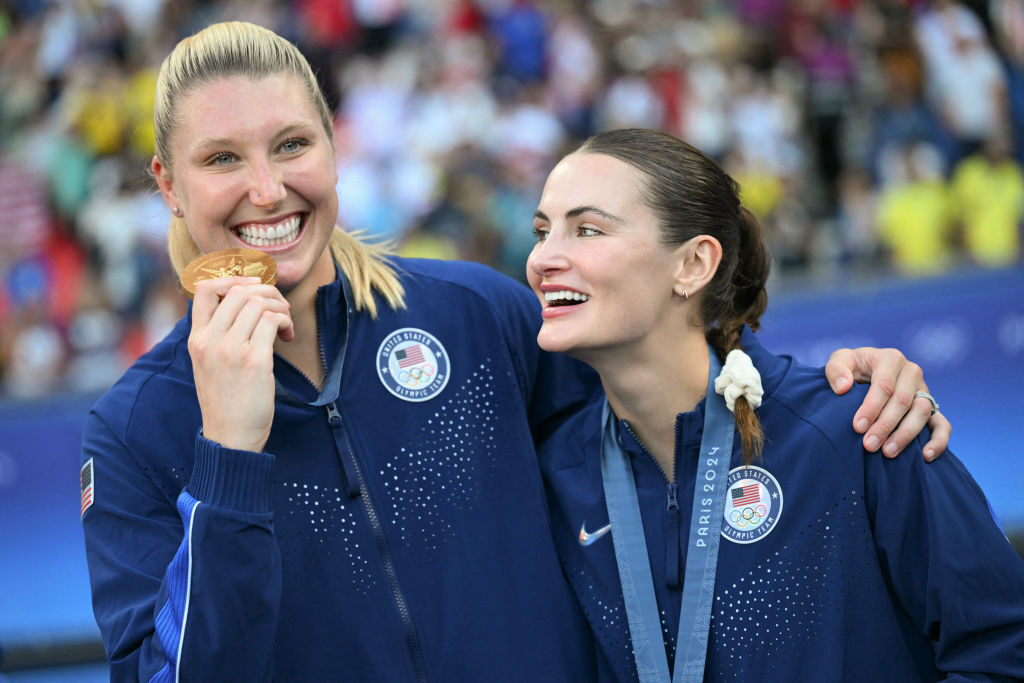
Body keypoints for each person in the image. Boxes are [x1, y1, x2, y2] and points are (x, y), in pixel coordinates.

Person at [80, 22, 951, 680]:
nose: (268, 189)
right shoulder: (135, 429)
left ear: (335, 145)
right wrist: (229, 456)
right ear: (167, 181)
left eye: (292, 144)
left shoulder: (474, 314)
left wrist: (843, 384)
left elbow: (676, 398)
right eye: (222, 158)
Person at [530, 128, 1024, 681]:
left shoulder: (859, 428)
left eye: (587, 230)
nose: (543, 258)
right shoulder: (555, 481)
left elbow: (1003, 648)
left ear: (693, 264)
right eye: (542, 232)